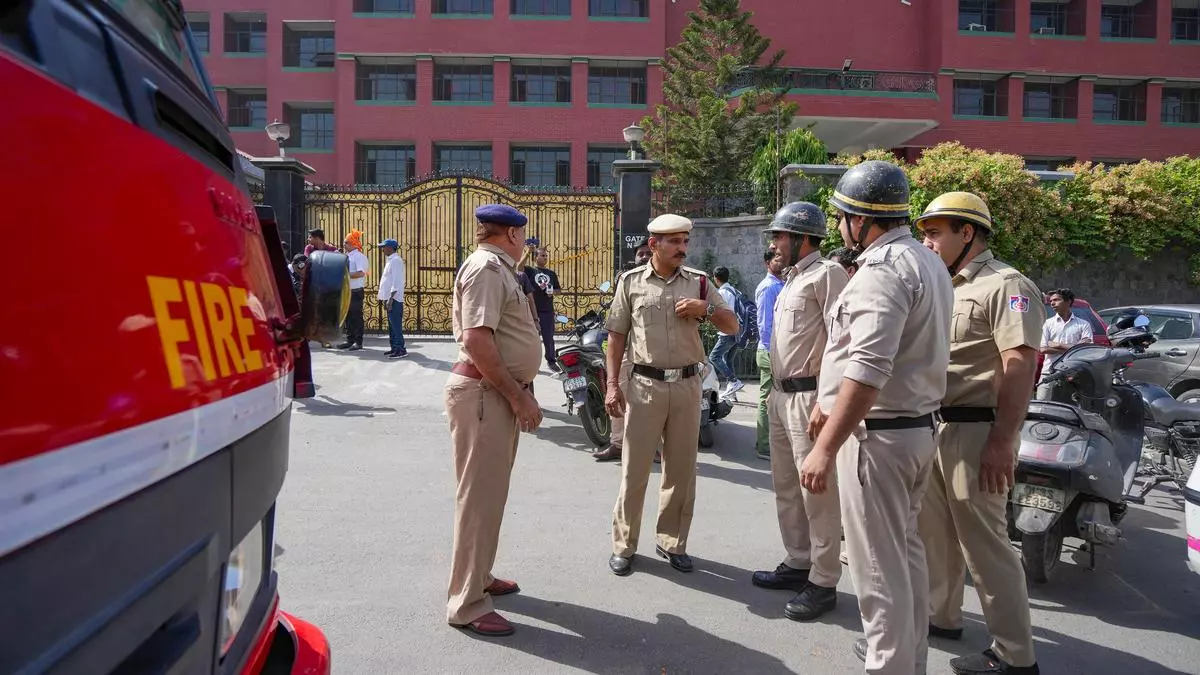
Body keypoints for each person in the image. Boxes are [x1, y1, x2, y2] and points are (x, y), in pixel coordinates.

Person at [798, 160, 953, 674]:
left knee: (877, 575)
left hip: (879, 440)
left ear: (861, 219)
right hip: (913, 431)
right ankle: (909, 663)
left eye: (843, 216)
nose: (840, 226)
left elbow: (867, 369)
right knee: (904, 560)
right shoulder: (927, 260)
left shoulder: (882, 271)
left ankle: (888, 666)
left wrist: (824, 447)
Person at [916, 193, 1043, 675]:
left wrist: (1002, 442)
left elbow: (1019, 365)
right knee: (937, 536)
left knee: (986, 546)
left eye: (935, 232)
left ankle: (1015, 656)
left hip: (976, 430)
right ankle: (942, 616)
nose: (927, 240)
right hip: (936, 425)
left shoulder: (1006, 285)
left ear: (966, 233)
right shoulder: (945, 285)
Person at [604, 214, 737, 577]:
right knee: (634, 471)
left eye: (685, 242)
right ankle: (624, 544)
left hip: (687, 386)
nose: (682, 248)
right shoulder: (630, 283)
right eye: (674, 242)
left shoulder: (700, 283)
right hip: (644, 386)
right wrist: (612, 385)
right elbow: (615, 336)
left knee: (681, 470)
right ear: (654, 245)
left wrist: (705, 309)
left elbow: (732, 324)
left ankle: (672, 541)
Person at [444, 204, 543, 638]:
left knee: (489, 497)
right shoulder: (487, 268)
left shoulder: (497, 267)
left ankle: (479, 576)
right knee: (478, 501)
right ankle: (466, 604)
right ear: (513, 235)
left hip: (493, 395)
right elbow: (477, 341)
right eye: (523, 235)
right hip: (485, 395)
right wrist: (518, 397)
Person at [752, 202, 850, 623]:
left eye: (780, 236)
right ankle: (798, 561)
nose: (774, 244)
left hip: (810, 398)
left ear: (802, 238)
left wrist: (828, 401)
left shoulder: (828, 274)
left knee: (818, 493)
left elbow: (842, 342)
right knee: (787, 486)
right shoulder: (792, 279)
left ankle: (824, 580)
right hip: (780, 395)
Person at [593, 239, 654, 463]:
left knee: (649, 401)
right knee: (616, 394)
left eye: (649, 253)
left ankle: (653, 447)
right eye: (641, 254)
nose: (645, 257)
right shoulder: (625, 278)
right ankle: (617, 443)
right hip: (625, 348)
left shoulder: (663, 280)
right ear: (635, 257)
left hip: (651, 353)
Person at [754, 248, 786, 460]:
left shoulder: (780, 284)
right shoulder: (768, 287)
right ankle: (764, 446)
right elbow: (765, 326)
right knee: (767, 399)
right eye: (777, 258)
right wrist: (773, 352)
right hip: (769, 350)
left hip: (776, 350)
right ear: (768, 262)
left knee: (774, 398)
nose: (781, 262)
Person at [525, 246, 563, 372]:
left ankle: (551, 361)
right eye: (542, 255)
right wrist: (527, 252)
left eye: (546, 255)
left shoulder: (551, 273)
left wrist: (553, 293)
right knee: (531, 339)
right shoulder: (530, 271)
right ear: (535, 258)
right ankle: (531, 364)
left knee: (548, 337)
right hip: (532, 310)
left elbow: (559, 290)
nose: (545, 257)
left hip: (547, 310)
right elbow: (518, 268)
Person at [708, 267, 744, 396]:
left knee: (714, 357)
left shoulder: (722, 292)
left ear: (716, 279)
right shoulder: (734, 290)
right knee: (728, 359)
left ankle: (733, 381)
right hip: (737, 331)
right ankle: (732, 392)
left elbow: (718, 312)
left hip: (727, 332)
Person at [1041, 288, 1092, 362]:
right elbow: (1043, 349)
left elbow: (1086, 348)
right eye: (1051, 301)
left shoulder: (1083, 324)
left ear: (1068, 301)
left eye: (1056, 300)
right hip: (1050, 370)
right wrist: (1074, 349)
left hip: (1074, 368)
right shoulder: (1047, 323)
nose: (1052, 303)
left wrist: (1059, 345)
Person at [377, 239, 408, 359]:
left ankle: (400, 349)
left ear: (390, 247)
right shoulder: (391, 260)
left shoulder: (396, 261)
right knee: (391, 325)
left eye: (384, 247)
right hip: (389, 298)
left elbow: (397, 282)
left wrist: (390, 299)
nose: (382, 249)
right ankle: (394, 347)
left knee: (395, 325)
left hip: (394, 299)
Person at [338, 230, 368, 351]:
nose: (344, 245)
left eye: (346, 243)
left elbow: (361, 273)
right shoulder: (347, 256)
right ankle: (349, 340)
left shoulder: (360, 257)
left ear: (352, 243)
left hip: (355, 291)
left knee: (356, 316)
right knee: (348, 316)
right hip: (347, 291)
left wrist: (346, 274)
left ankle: (358, 341)